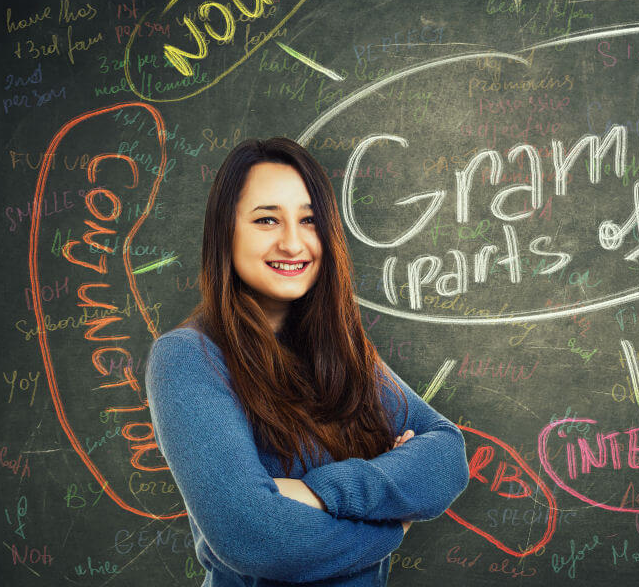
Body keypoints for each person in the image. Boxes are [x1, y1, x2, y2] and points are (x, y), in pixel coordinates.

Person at [146, 138, 470, 585]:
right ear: (225, 230)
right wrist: (392, 520)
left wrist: (318, 493)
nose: (293, 243)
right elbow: (256, 538)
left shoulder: (340, 347)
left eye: (309, 220)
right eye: (266, 220)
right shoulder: (188, 357)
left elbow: (446, 454)